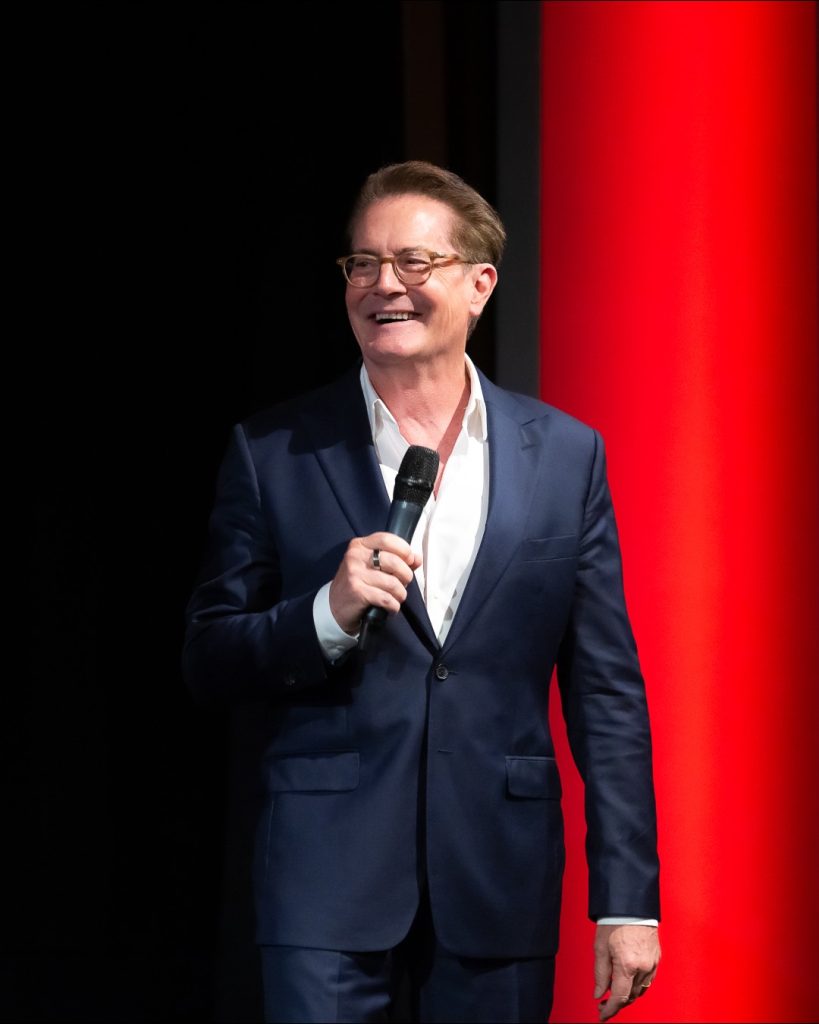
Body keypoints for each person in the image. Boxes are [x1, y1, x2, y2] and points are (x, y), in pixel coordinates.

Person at [182, 160, 661, 1023]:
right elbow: (209, 655)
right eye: (362, 263)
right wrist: (324, 615)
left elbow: (605, 692)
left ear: (479, 285)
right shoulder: (274, 449)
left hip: (498, 873)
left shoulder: (564, 456)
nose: (382, 285)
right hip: (324, 878)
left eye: (413, 262)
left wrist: (626, 900)